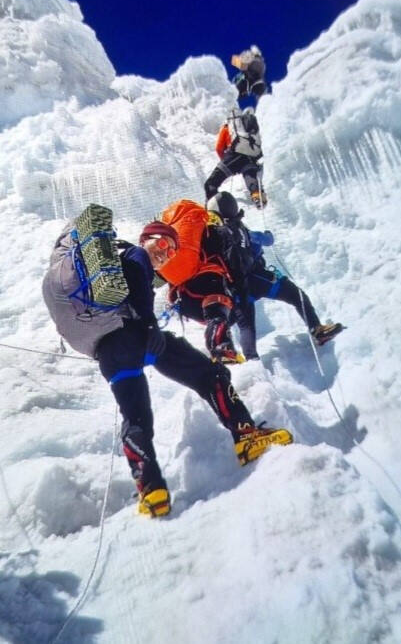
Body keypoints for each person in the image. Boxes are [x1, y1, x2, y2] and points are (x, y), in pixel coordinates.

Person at [42, 219, 293, 518]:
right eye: (161, 243)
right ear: (146, 238)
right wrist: (149, 324)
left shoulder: (106, 280)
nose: (165, 252)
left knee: (135, 417)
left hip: (108, 353)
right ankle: (247, 437)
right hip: (135, 335)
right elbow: (136, 272)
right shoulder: (136, 254)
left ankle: (152, 490)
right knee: (210, 375)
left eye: (171, 251)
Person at [207, 192, 344, 360]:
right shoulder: (237, 228)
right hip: (257, 279)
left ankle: (251, 361)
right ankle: (317, 330)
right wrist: (267, 235)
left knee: (246, 326)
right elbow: (266, 240)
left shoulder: (213, 234)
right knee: (296, 295)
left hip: (235, 289)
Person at [148, 201, 245, 364]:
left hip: (182, 298)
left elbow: (160, 276)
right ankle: (221, 347)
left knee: (215, 316)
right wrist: (236, 284)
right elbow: (233, 260)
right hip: (208, 288)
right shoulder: (216, 232)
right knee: (218, 313)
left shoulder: (182, 244)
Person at [204, 107, 267, 209]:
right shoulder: (248, 130)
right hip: (250, 157)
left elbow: (219, 148)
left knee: (211, 183)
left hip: (233, 156)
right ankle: (257, 195)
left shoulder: (226, 127)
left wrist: (226, 163)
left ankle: (214, 208)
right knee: (249, 175)